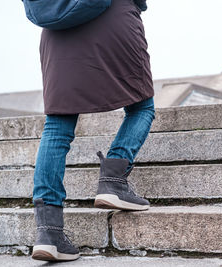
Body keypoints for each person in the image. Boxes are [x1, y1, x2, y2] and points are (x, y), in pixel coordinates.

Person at [31, 0, 155, 262]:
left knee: (57, 126)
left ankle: (48, 233)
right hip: (113, 20)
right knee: (142, 106)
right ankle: (113, 179)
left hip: (57, 32)